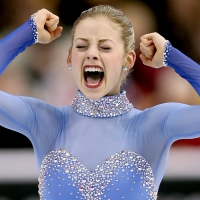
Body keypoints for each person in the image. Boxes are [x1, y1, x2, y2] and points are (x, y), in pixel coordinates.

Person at [0, 4, 200, 200]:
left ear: (128, 60)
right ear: (70, 58)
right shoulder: (47, 122)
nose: (92, 53)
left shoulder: (152, 126)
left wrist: (171, 56)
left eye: (105, 47)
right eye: (81, 46)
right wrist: (28, 32)